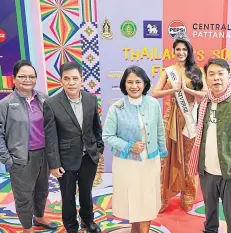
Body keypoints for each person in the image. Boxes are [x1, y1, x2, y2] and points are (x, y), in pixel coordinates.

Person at [187, 58, 231, 233]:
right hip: (207, 170)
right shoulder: (205, 102)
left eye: (220, 74)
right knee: (209, 209)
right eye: (211, 74)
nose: (216, 78)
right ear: (206, 79)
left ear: (228, 77)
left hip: (229, 169)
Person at [103, 66, 168, 233]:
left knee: (146, 200)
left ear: (144, 83)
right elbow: (108, 136)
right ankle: (134, 229)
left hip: (150, 162)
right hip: (126, 164)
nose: (134, 86)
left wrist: (162, 152)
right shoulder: (116, 108)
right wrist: (129, 146)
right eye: (129, 82)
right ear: (124, 85)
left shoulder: (153, 104)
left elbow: (160, 129)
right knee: (132, 201)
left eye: (138, 82)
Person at [43, 62, 104, 233]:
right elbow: (50, 137)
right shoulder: (51, 103)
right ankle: (71, 226)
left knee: (86, 191)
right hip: (65, 159)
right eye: (67, 79)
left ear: (81, 80)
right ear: (61, 80)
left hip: (88, 156)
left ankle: (88, 221)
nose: (71, 83)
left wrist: (98, 148)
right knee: (68, 196)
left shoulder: (91, 99)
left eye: (75, 78)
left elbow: (96, 126)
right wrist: (54, 164)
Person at [152, 31, 207, 212]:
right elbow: (155, 93)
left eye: (184, 49)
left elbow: (205, 94)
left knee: (189, 160)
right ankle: (163, 198)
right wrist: (173, 91)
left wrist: (188, 91)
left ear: (189, 51)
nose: (181, 52)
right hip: (171, 120)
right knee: (166, 159)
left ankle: (188, 197)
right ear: (173, 51)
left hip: (191, 120)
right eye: (178, 49)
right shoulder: (168, 71)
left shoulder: (196, 71)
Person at [0, 60, 57, 233]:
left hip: (44, 155)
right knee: (23, 196)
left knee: (42, 190)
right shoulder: (6, 104)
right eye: (22, 76)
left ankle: (39, 217)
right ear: (14, 79)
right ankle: (27, 227)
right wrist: (8, 160)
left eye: (31, 76)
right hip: (20, 159)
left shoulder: (44, 99)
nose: (27, 80)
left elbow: (51, 127)